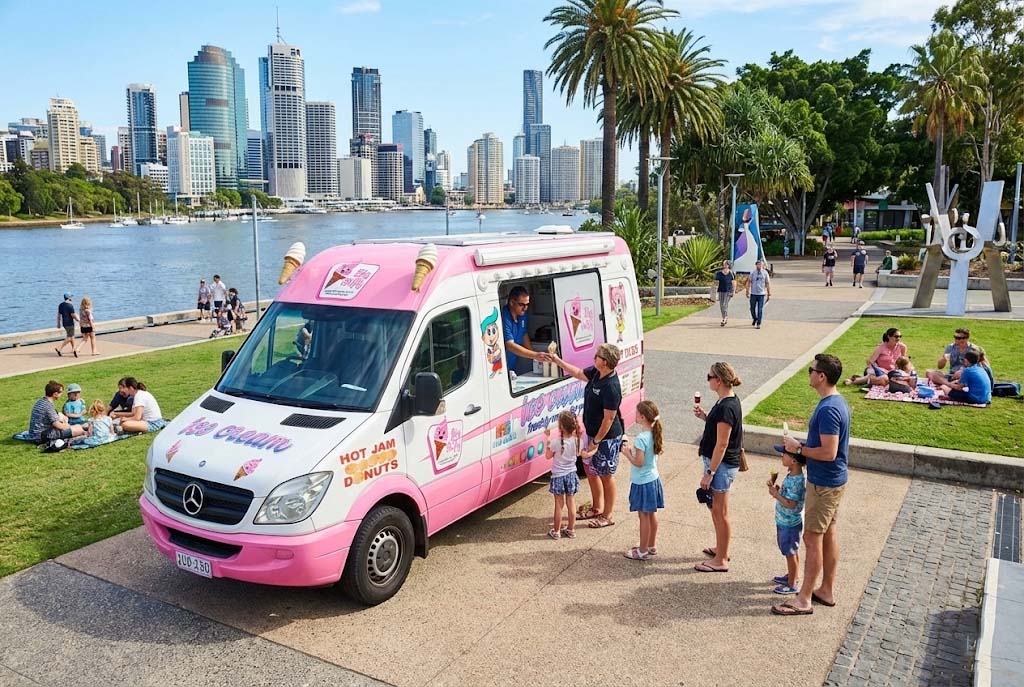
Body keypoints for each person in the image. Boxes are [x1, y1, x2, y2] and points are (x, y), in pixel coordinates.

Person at [773, 353, 850, 617]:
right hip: (833, 481)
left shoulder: (829, 409)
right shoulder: (836, 403)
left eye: (811, 370)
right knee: (828, 534)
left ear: (821, 376)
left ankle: (804, 597)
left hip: (825, 482)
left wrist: (799, 448)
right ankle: (826, 590)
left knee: (812, 537)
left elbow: (829, 452)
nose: (809, 373)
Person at [550, 343, 623, 529]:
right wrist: (557, 360)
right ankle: (596, 507)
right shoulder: (596, 373)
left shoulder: (611, 386)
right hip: (591, 434)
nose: (594, 358)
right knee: (591, 472)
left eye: (597, 356)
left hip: (606, 438)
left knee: (606, 475)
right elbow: (578, 373)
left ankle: (607, 515)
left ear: (605, 362)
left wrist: (597, 441)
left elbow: (609, 419)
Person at [693, 362, 744, 573]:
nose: (708, 379)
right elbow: (720, 431)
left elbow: (722, 444)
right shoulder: (726, 401)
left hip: (720, 466)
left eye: (709, 376)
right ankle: (721, 549)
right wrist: (706, 417)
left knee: (720, 512)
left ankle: (721, 559)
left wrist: (709, 473)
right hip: (720, 464)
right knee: (717, 510)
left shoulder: (726, 407)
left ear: (719, 380)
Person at [623, 400, 665, 561]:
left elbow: (638, 462)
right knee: (651, 514)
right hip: (653, 479)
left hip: (642, 482)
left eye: (636, 413)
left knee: (643, 516)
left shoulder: (641, 438)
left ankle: (642, 550)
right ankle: (651, 545)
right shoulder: (654, 434)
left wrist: (627, 453)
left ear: (642, 417)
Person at [768, 451, 806, 595]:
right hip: (785, 520)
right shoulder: (792, 476)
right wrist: (779, 491)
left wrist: (776, 495)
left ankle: (792, 584)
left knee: (790, 552)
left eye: (784, 455)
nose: (781, 457)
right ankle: (792, 574)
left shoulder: (796, 480)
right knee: (791, 551)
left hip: (789, 523)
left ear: (794, 461)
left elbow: (791, 504)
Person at [543, 410, 582, 540]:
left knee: (559, 504)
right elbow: (578, 454)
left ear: (561, 427)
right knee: (571, 502)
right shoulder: (577, 441)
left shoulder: (556, 442)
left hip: (558, 476)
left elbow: (548, 456)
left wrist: (547, 438)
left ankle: (556, 531)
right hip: (571, 474)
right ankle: (571, 529)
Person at [500, 286, 547, 373]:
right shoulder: (504, 316)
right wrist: (535, 355)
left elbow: (523, 334)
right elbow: (510, 345)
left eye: (527, 305)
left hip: (512, 365)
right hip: (501, 368)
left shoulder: (523, 314)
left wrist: (535, 358)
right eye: (522, 305)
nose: (525, 308)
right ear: (512, 302)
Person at [27, 380, 87, 444]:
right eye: (60, 392)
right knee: (78, 429)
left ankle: (81, 426)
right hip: (41, 436)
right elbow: (59, 426)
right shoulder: (48, 406)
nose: (61, 394)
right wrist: (68, 426)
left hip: (35, 433)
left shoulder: (41, 401)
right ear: (55, 394)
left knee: (74, 425)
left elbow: (52, 416)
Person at [745, 259, 771, 329]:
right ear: (756, 265)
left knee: (760, 309)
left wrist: (769, 293)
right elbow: (749, 282)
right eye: (758, 264)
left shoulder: (765, 273)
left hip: (761, 294)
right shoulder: (753, 273)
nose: (759, 266)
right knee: (752, 308)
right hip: (753, 293)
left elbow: (767, 283)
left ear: (763, 265)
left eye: (760, 264)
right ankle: (755, 318)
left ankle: (759, 323)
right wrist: (747, 291)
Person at [55, 293, 79, 357]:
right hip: (70, 323)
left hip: (64, 323)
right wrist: (78, 320)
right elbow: (73, 315)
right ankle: (59, 348)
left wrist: (58, 323)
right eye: (71, 297)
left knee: (72, 336)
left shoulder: (61, 305)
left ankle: (74, 349)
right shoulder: (70, 306)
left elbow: (59, 315)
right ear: (68, 298)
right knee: (70, 337)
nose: (72, 298)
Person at [713, 260, 736, 327]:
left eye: (726, 264)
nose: (725, 265)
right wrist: (714, 290)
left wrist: (733, 291)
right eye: (724, 264)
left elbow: (734, 282)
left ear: (728, 265)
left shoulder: (731, 273)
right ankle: (724, 317)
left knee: (724, 304)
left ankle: (724, 318)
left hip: (728, 291)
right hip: (721, 291)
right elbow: (716, 282)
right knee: (721, 305)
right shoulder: (719, 273)